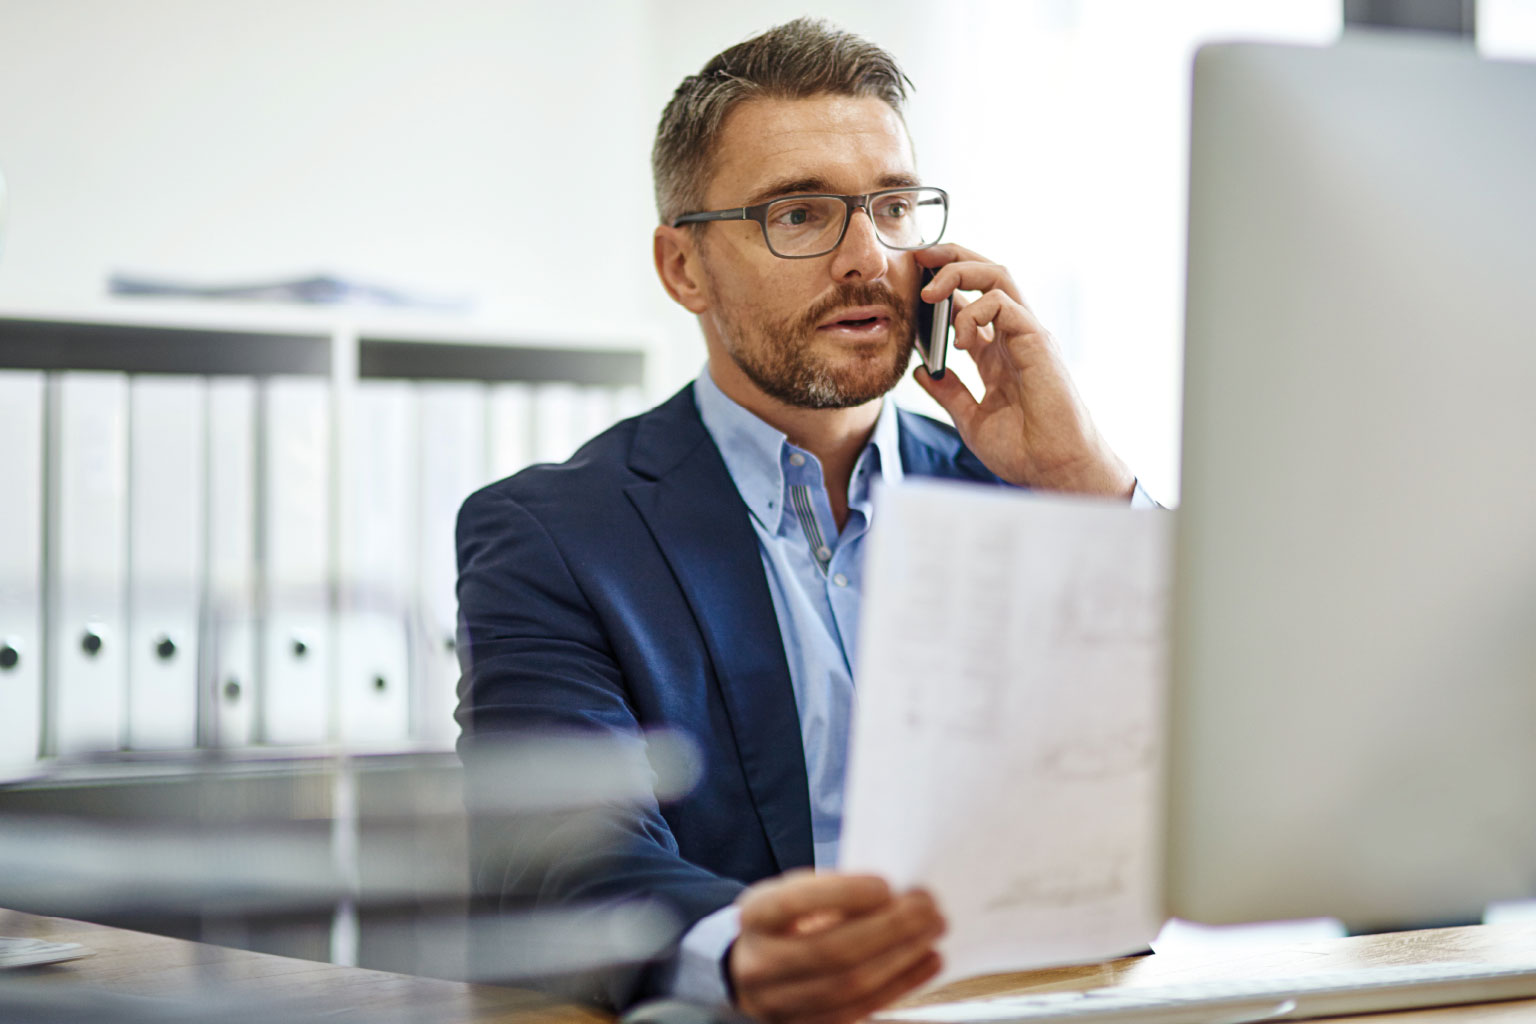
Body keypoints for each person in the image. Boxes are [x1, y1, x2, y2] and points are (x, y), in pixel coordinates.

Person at [455, 17, 1154, 1022]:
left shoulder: (1040, 497)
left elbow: (1230, 761)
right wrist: (744, 951)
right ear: (683, 267)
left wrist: (1088, 479)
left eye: (893, 206)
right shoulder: (552, 535)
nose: (868, 258)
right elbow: (562, 855)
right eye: (799, 214)